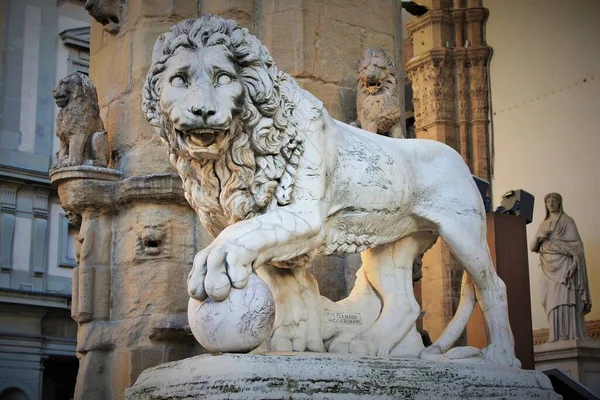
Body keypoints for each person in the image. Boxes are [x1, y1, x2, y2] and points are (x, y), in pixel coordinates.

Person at [530, 192, 592, 342]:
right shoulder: (543, 225)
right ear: (545, 205)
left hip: (565, 266)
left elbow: (578, 247)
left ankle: (570, 333)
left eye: (554, 201)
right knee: (550, 299)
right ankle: (554, 334)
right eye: (548, 201)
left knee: (565, 299)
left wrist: (575, 265)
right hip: (547, 268)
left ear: (559, 203)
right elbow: (532, 247)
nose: (551, 203)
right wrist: (539, 237)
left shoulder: (567, 221)